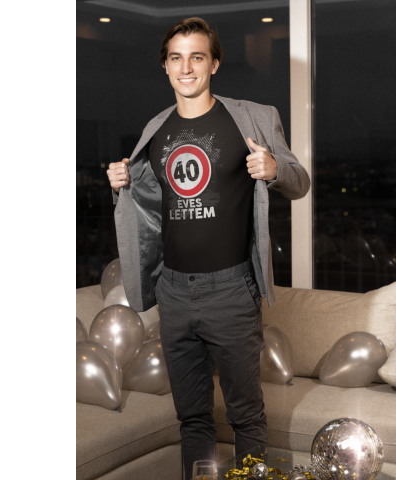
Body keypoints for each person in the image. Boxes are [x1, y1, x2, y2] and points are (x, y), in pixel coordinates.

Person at [107, 17, 310, 480]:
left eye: (197, 57)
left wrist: (275, 168)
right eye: (176, 58)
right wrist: (121, 183)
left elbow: (299, 182)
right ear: (165, 66)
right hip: (174, 291)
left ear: (214, 64)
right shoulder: (155, 129)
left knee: (246, 415)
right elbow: (147, 200)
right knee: (192, 418)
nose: (186, 68)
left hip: (232, 290)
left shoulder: (254, 117)